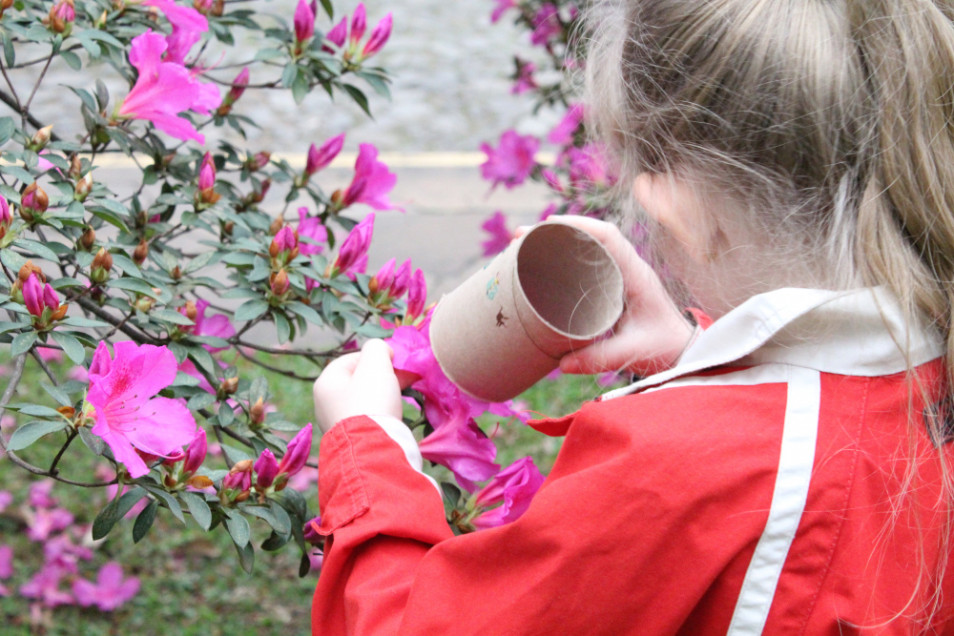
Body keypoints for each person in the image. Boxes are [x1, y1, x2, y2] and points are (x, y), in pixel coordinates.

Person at [309, 0, 954, 633]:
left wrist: (370, 455)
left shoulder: (673, 466)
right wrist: (695, 354)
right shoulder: (931, 372)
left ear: (676, 211)